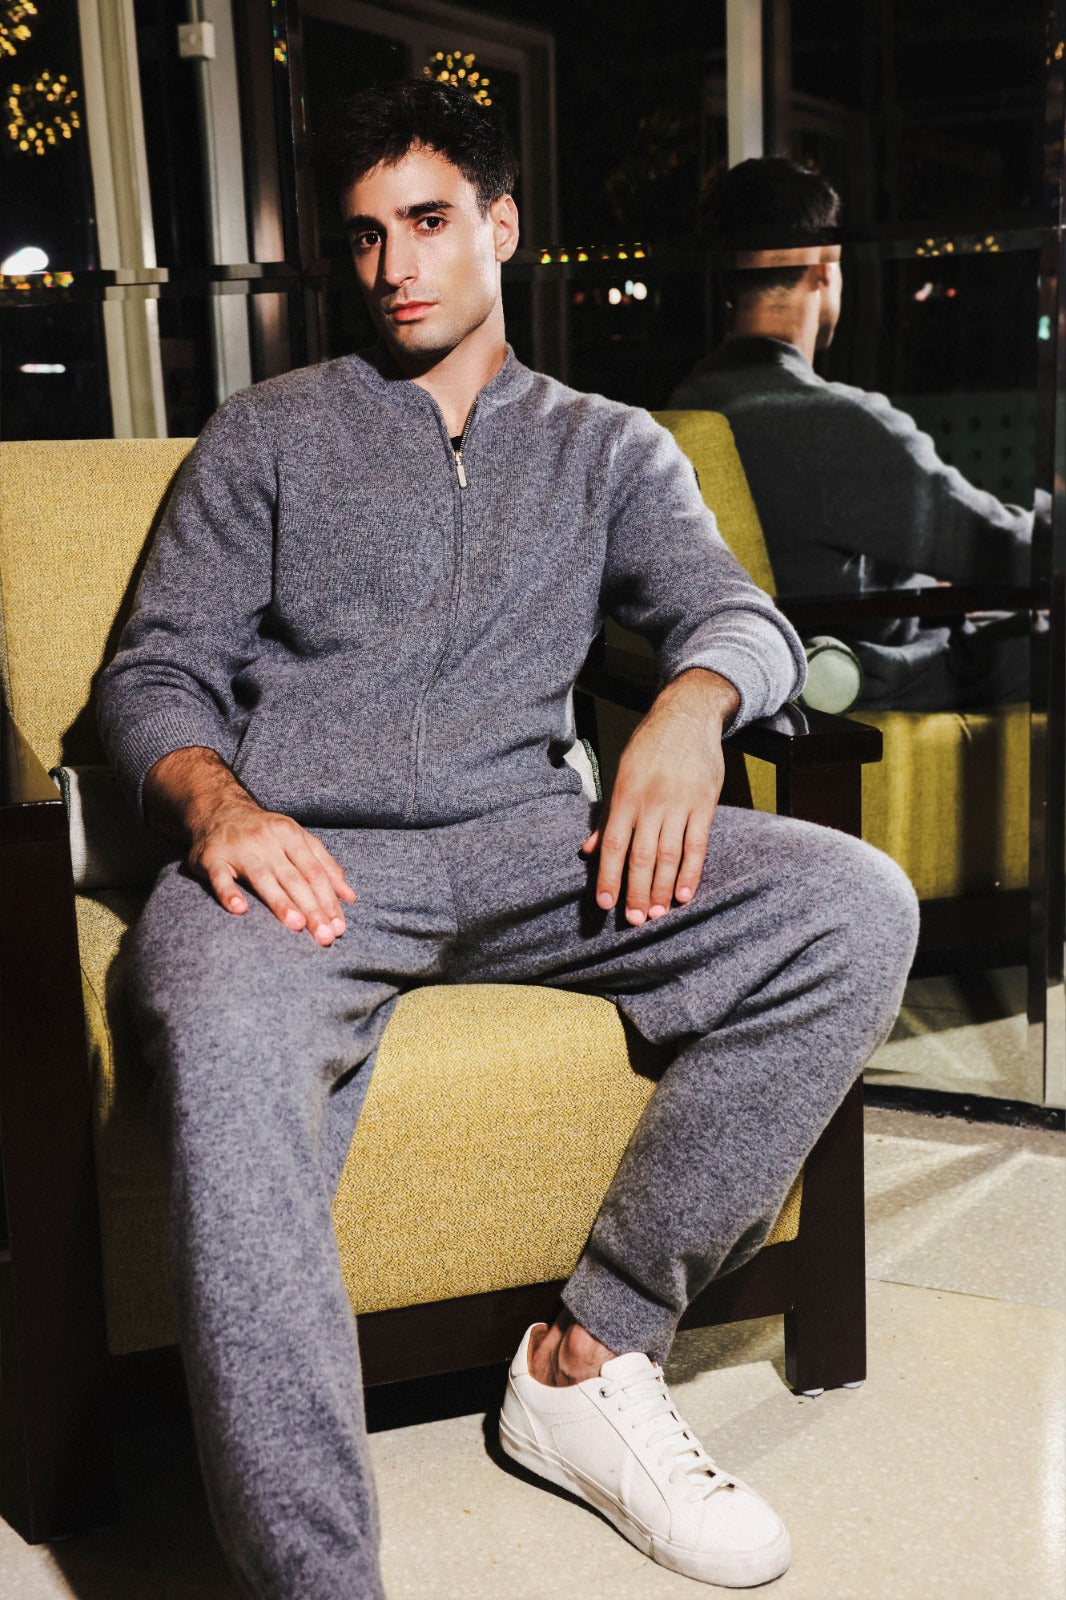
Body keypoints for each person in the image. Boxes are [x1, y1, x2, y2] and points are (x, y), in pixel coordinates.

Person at [98, 84, 917, 1598]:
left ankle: (592, 1354)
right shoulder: (268, 433)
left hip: (539, 854)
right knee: (217, 1031)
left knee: (853, 906)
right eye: (366, 236)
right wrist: (219, 805)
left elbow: (736, 615)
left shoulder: (606, 447)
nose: (395, 266)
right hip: (310, 870)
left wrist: (690, 707)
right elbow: (153, 675)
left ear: (502, 225)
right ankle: (314, 1577)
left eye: (427, 222)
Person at [669, 157, 1039, 712]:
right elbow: (1005, 549)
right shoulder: (826, 423)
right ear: (825, 264)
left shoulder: (690, 402)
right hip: (858, 682)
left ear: (726, 281)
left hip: (775, 681)